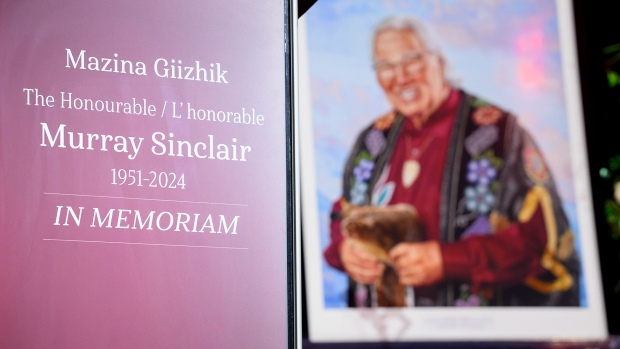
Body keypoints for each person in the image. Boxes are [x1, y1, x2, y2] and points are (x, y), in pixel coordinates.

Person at [323, 16, 580, 307]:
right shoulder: (373, 140)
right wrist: (347, 251)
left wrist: (447, 261)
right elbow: (342, 216)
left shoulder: (499, 134)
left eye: (412, 60)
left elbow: (541, 242)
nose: (401, 76)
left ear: (439, 61)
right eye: (386, 66)